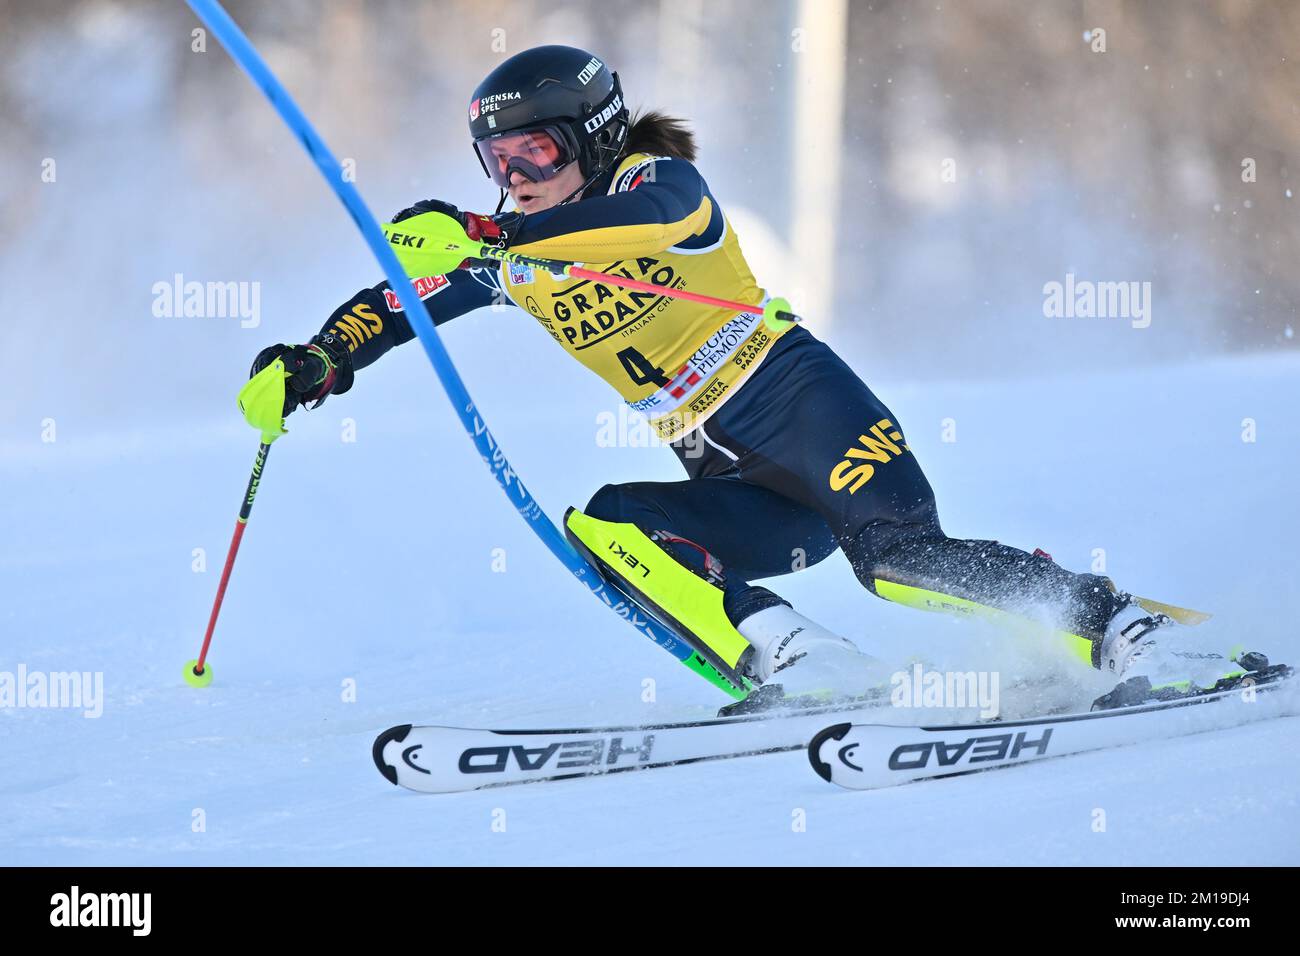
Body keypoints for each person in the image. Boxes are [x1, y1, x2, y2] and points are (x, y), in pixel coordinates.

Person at [251, 45, 1277, 711]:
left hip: (807, 407)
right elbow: (399, 301)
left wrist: (490, 231)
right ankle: (798, 659)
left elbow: (664, 228)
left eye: (531, 151)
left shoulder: (652, 183)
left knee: (899, 564)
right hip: (738, 477)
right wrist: (314, 360)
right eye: (495, 162)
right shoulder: (513, 250)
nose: (513, 177)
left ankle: (1120, 625)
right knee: (608, 521)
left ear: (592, 138)